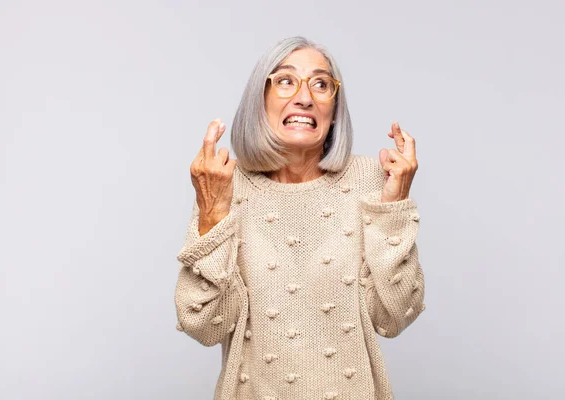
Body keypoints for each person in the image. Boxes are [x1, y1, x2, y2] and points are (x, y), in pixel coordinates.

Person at [174, 36, 425, 400]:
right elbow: (202, 324)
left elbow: (395, 316)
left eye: (321, 84)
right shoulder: (224, 182)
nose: (305, 97)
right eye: (286, 81)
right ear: (260, 100)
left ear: (335, 108)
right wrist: (213, 213)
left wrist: (394, 210)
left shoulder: (374, 180)